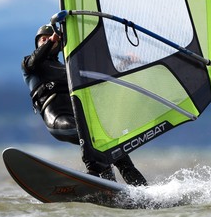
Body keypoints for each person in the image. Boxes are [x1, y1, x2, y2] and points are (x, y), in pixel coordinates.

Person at [21, 24, 147, 187]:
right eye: (42, 40)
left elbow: (99, 79)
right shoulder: (29, 65)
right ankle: (94, 173)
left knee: (115, 148)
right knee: (89, 136)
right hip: (58, 120)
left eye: (50, 39)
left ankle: (141, 192)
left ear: (59, 45)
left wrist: (125, 63)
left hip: (78, 119)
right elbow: (34, 60)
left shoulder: (69, 69)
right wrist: (51, 40)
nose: (47, 41)